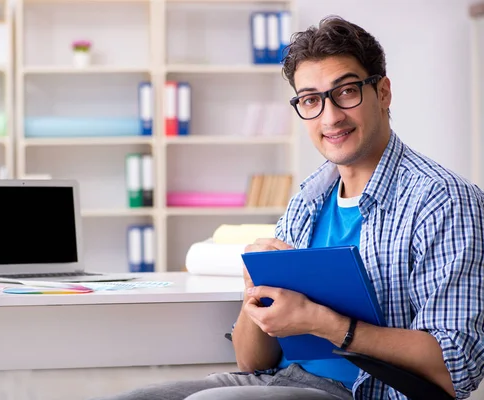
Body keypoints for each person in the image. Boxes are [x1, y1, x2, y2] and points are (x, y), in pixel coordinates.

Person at [94, 15, 484, 400]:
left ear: (382, 92)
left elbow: (456, 367)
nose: (330, 117)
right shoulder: (309, 198)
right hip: (280, 380)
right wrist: (255, 285)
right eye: (311, 100)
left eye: (346, 91)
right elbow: (251, 361)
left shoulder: (443, 199)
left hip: (361, 393)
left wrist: (329, 325)